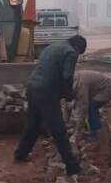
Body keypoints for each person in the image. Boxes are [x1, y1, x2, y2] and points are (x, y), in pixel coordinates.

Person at [15, 34, 87, 175]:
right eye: (80, 53)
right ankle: (73, 168)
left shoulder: (52, 47)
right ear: (78, 47)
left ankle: (21, 153)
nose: (78, 55)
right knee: (59, 130)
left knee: (33, 124)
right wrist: (68, 95)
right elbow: (67, 76)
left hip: (32, 87)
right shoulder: (70, 52)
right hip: (46, 91)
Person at [73, 70, 111, 140]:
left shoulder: (81, 85)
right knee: (90, 106)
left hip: (109, 89)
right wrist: (65, 122)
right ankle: (94, 130)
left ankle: (96, 134)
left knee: (92, 107)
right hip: (98, 89)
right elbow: (67, 104)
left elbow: (83, 109)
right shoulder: (73, 78)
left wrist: (77, 131)